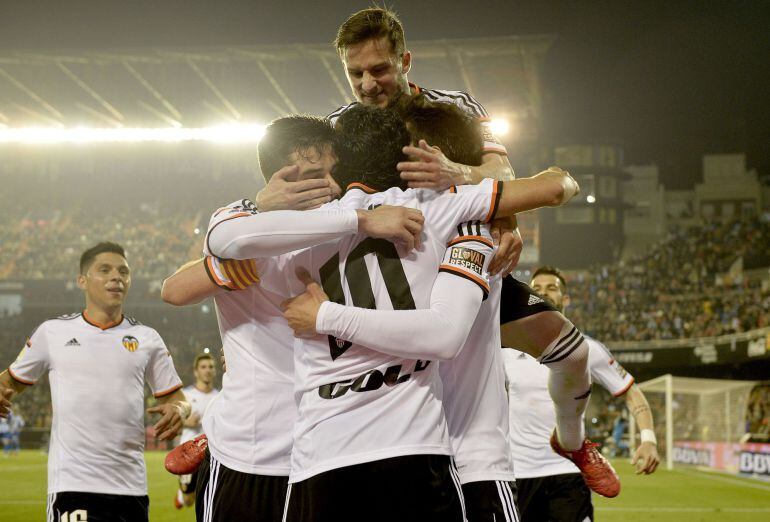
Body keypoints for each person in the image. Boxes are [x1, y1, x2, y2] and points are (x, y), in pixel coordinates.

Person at [204, 103, 578, 522]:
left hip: (319, 458)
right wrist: (466, 179)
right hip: (414, 450)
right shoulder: (445, 208)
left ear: (341, 163)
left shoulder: (296, 227)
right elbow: (558, 186)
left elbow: (222, 238)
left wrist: (311, 223)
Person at [161, 115, 426, 522]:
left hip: (325, 453)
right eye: (315, 176)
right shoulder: (251, 243)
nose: (331, 187)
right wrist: (258, 207)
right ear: (281, 178)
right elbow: (175, 289)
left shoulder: (345, 231)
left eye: (333, 173)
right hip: (251, 455)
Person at [0, 241, 189, 522]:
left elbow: (177, 400)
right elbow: (9, 382)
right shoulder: (53, 332)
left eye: (124, 271)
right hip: (74, 485)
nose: (117, 277)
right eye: (105, 269)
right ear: (82, 280)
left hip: (132, 488)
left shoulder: (148, 338)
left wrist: (179, 410)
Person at [502, 265, 660, 522]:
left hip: (568, 474)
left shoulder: (587, 349)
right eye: (536, 288)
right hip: (518, 475)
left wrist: (649, 438)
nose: (543, 293)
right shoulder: (506, 351)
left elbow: (632, 393)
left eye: (551, 288)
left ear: (565, 300)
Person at [174, 352, 219, 510]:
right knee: (189, 501)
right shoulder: (186, 395)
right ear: (196, 371)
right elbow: (173, 422)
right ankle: (181, 494)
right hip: (188, 453)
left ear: (215, 371)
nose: (207, 370)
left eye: (211, 367)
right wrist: (186, 421)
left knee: (209, 498)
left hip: (212, 454)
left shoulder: (220, 397)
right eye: (203, 367)